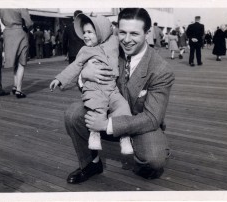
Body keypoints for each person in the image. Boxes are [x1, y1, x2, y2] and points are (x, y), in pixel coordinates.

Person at [63, 8, 175, 184]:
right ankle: (91, 163)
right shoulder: (108, 50)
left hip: (140, 121)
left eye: (134, 34)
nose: (127, 40)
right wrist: (84, 75)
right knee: (73, 114)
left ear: (147, 33)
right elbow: (87, 85)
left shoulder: (161, 69)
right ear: (116, 30)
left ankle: (140, 152)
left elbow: (152, 118)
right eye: (122, 32)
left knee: (154, 159)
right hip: (108, 107)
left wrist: (107, 125)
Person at [50, 13, 133, 155]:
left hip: (112, 89)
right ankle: (95, 133)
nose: (85, 36)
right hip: (94, 89)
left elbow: (118, 33)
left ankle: (125, 137)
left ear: (101, 32)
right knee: (97, 108)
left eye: (90, 32)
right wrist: (60, 78)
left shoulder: (113, 42)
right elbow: (75, 66)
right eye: (84, 33)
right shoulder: (84, 50)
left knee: (123, 106)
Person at [0, 9, 33, 99]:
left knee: (14, 60)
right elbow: (29, 22)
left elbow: (2, 19)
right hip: (20, 32)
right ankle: (19, 90)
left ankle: (14, 86)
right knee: (21, 62)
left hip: (8, 33)